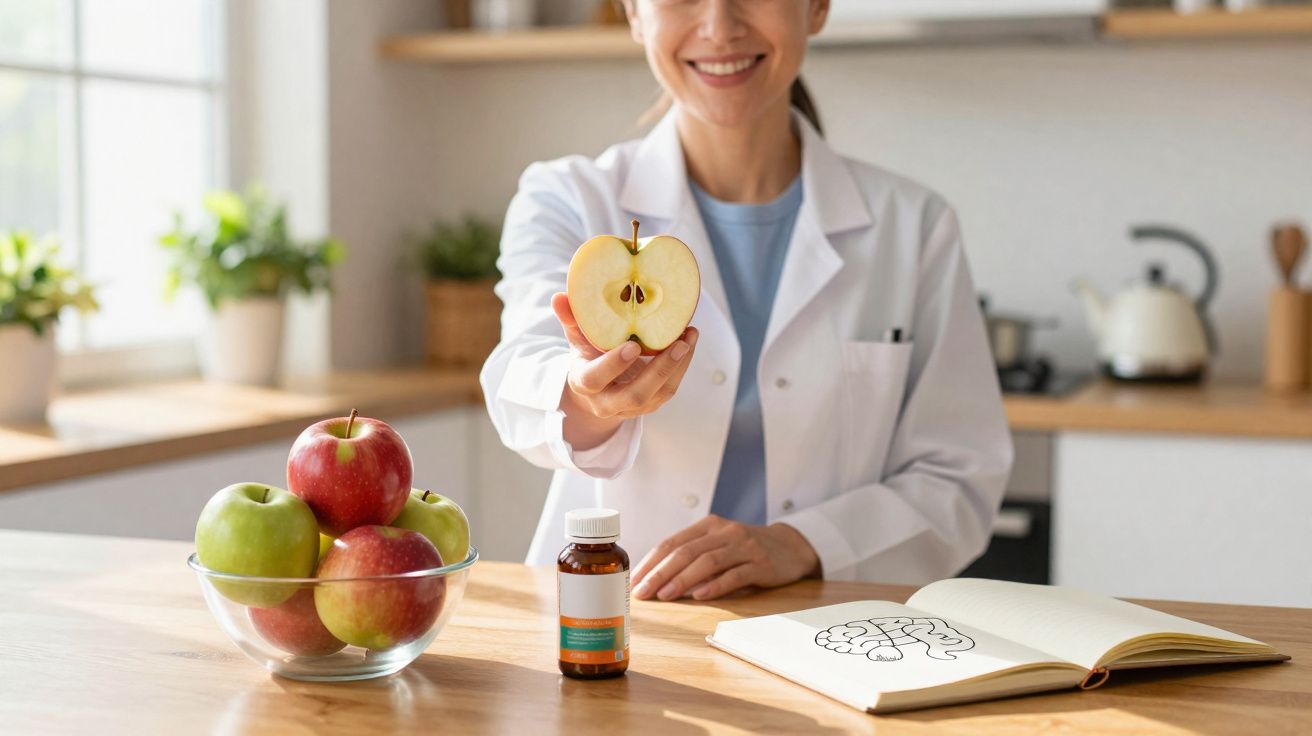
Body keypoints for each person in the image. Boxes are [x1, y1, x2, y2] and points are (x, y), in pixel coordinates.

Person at [479, 0, 1012, 602]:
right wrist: (588, 395)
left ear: (816, 8)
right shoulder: (567, 199)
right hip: (613, 623)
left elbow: (959, 477)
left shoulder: (913, 227)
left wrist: (802, 542)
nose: (720, 26)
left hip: (834, 631)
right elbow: (521, 376)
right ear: (633, 13)